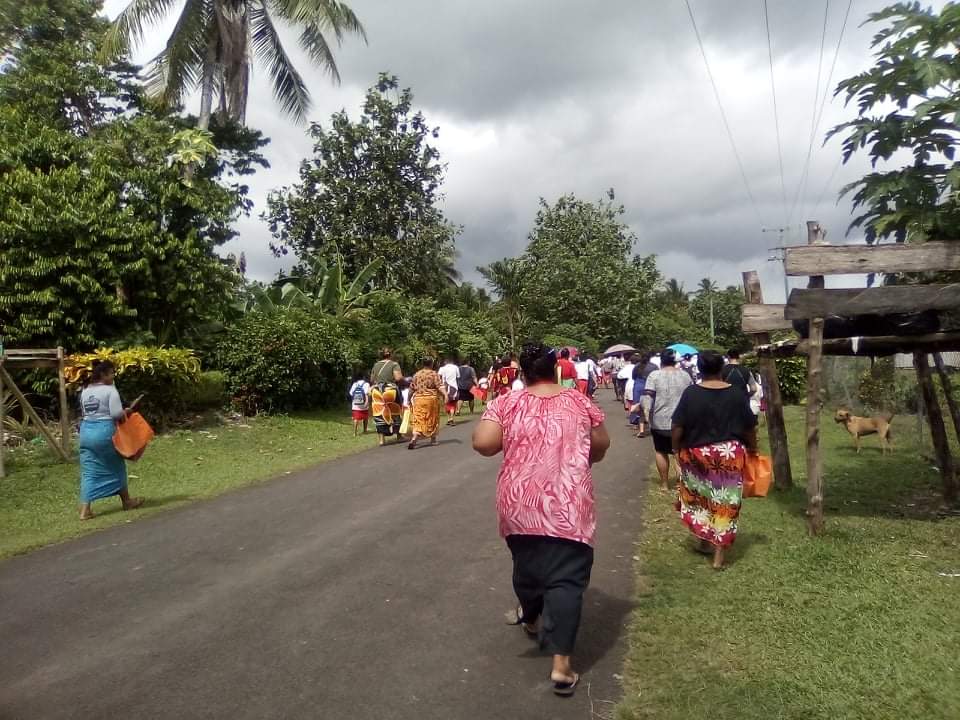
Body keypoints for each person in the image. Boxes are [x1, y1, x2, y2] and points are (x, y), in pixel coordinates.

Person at [472, 342, 610, 697]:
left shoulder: (507, 402)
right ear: (556, 369)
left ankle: (531, 616)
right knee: (566, 580)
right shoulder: (579, 400)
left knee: (527, 564)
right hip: (569, 500)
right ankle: (562, 667)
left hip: (520, 501)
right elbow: (601, 444)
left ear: (523, 372)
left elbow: (484, 444)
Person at [671, 350, 758, 570]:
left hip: (697, 455)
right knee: (725, 502)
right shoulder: (737, 394)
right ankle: (718, 555)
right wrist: (753, 448)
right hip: (729, 454)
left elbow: (677, 425)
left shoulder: (691, 393)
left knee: (701, 498)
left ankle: (704, 540)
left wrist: (676, 449)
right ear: (721, 368)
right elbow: (749, 427)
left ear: (699, 369)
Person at [78, 360, 144, 520]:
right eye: (111, 373)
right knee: (116, 465)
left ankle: (85, 510)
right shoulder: (110, 391)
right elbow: (115, 414)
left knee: (89, 471)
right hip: (104, 432)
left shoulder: (85, 391)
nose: (113, 376)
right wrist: (127, 411)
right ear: (103, 375)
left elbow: (86, 412)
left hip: (86, 432)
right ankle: (127, 501)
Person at [641, 349, 693, 487]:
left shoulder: (654, 375)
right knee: (680, 452)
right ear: (675, 361)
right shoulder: (685, 376)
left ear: (661, 361)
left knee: (660, 451)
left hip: (659, 420)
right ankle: (680, 483)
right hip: (682, 421)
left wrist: (646, 414)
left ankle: (664, 483)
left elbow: (648, 396)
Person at [370, 348, 404, 445]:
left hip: (377, 392)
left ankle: (381, 439)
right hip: (390, 391)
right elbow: (398, 377)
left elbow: (372, 379)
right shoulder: (394, 364)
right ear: (391, 354)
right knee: (395, 411)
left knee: (379, 413)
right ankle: (399, 436)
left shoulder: (376, 365)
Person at [408, 357, 444, 450]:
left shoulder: (417, 374)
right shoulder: (433, 374)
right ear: (431, 364)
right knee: (432, 418)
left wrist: (408, 399)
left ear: (423, 364)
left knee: (419, 418)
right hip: (431, 399)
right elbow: (439, 386)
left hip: (419, 399)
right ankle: (433, 439)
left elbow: (411, 388)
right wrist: (445, 395)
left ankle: (415, 436)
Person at [438, 355, 461, 426]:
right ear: (452, 362)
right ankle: (451, 418)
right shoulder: (455, 367)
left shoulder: (442, 368)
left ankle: (449, 418)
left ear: (445, 362)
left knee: (447, 403)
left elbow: (438, 377)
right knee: (453, 403)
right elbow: (458, 377)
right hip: (454, 387)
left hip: (444, 388)